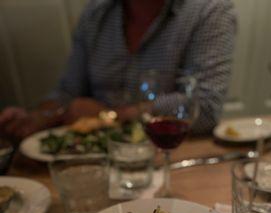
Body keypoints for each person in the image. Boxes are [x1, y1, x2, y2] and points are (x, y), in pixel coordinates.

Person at [0, 0, 237, 139]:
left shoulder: (210, 10)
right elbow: (67, 90)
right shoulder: (96, 12)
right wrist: (39, 117)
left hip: (170, 155)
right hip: (95, 155)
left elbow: (204, 108)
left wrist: (110, 115)